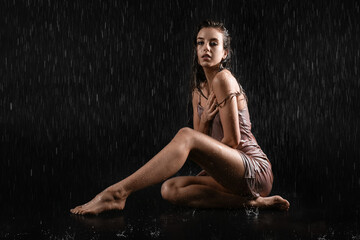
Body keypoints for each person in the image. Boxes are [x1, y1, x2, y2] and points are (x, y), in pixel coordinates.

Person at [70, 20, 290, 215]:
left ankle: (118, 192)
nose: (206, 48)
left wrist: (210, 161)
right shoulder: (198, 91)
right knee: (170, 189)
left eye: (213, 43)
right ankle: (254, 204)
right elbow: (199, 143)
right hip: (228, 173)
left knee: (185, 135)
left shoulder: (224, 79)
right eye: (200, 42)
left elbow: (232, 141)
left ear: (225, 53)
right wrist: (204, 122)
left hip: (252, 170)